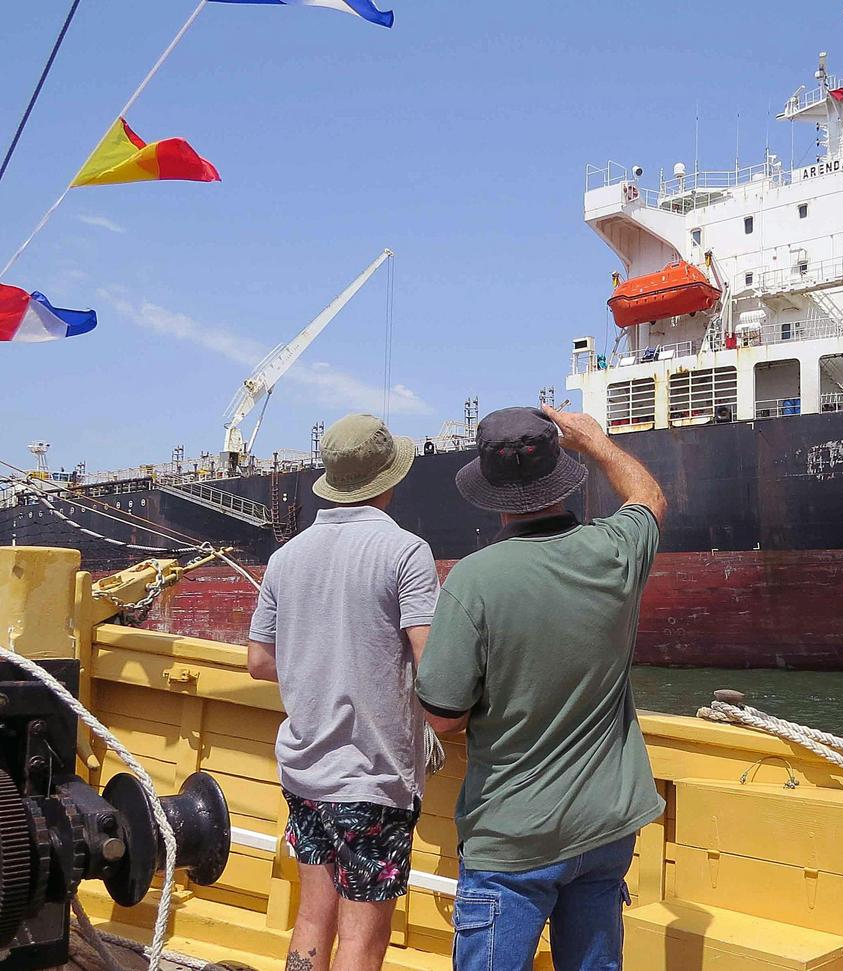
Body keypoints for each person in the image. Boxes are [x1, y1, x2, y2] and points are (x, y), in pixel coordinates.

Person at [416, 404, 667, 971]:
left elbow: (442, 716)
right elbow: (649, 499)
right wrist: (598, 443)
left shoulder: (474, 581)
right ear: (561, 472)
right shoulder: (616, 552)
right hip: (606, 826)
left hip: (513, 837)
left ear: (488, 490)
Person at [247, 414, 439, 971]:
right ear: (389, 479)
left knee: (312, 919)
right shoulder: (406, 551)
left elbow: (259, 661)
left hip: (304, 771)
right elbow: (432, 665)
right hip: (372, 777)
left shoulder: (286, 557)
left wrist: (319, 666)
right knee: (360, 941)